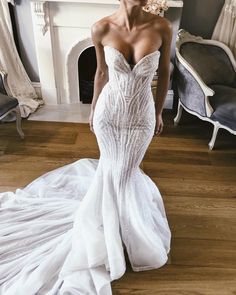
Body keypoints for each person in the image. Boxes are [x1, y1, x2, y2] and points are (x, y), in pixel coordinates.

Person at [0, 0, 172, 294]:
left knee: (124, 172)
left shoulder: (161, 27)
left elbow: (165, 72)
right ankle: (106, 230)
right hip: (110, 114)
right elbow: (102, 73)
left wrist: (157, 112)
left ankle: (122, 228)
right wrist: (93, 110)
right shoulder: (101, 27)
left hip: (141, 117)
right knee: (111, 170)